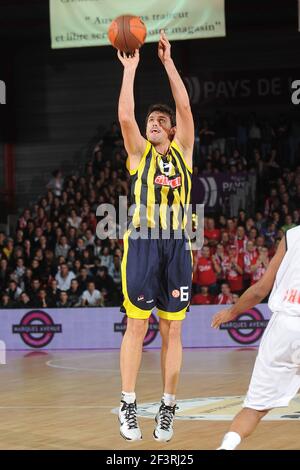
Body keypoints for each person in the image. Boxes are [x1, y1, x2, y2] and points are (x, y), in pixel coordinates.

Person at [117, 30, 194, 442]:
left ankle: (167, 406)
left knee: (173, 331)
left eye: (162, 120)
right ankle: (128, 402)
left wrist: (166, 62)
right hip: (144, 241)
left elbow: (182, 104)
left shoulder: (184, 149)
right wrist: (131, 70)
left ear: (173, 129)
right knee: (137, 323)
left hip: (178, 243)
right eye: (152, 120)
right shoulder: (138, 154)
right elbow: (126, 116)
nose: (155, 122)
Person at [211, 226, 300, 450]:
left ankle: (226, 448)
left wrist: (231, 312)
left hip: (283, 327)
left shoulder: (292, 235)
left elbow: (261, 290)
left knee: (254, 408)